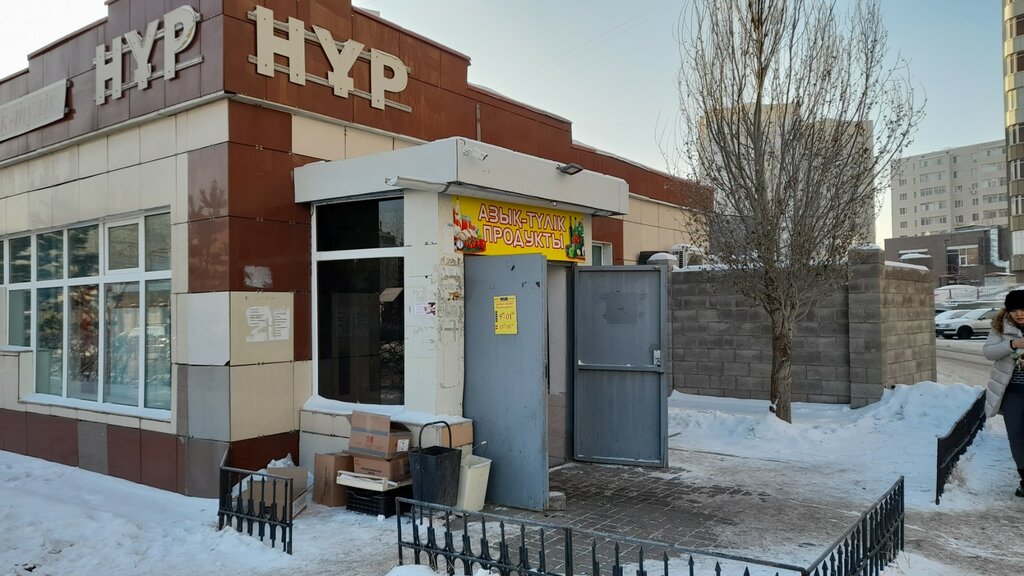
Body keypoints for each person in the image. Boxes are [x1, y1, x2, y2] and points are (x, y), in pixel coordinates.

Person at [983, 289, 1024, 497]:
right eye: (1014, 310)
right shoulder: (1000, 327)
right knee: (1016, 437)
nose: (1019, 314)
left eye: (1023, 309)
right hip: (1013, 394)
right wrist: (1012, 344)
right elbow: (988, 352)